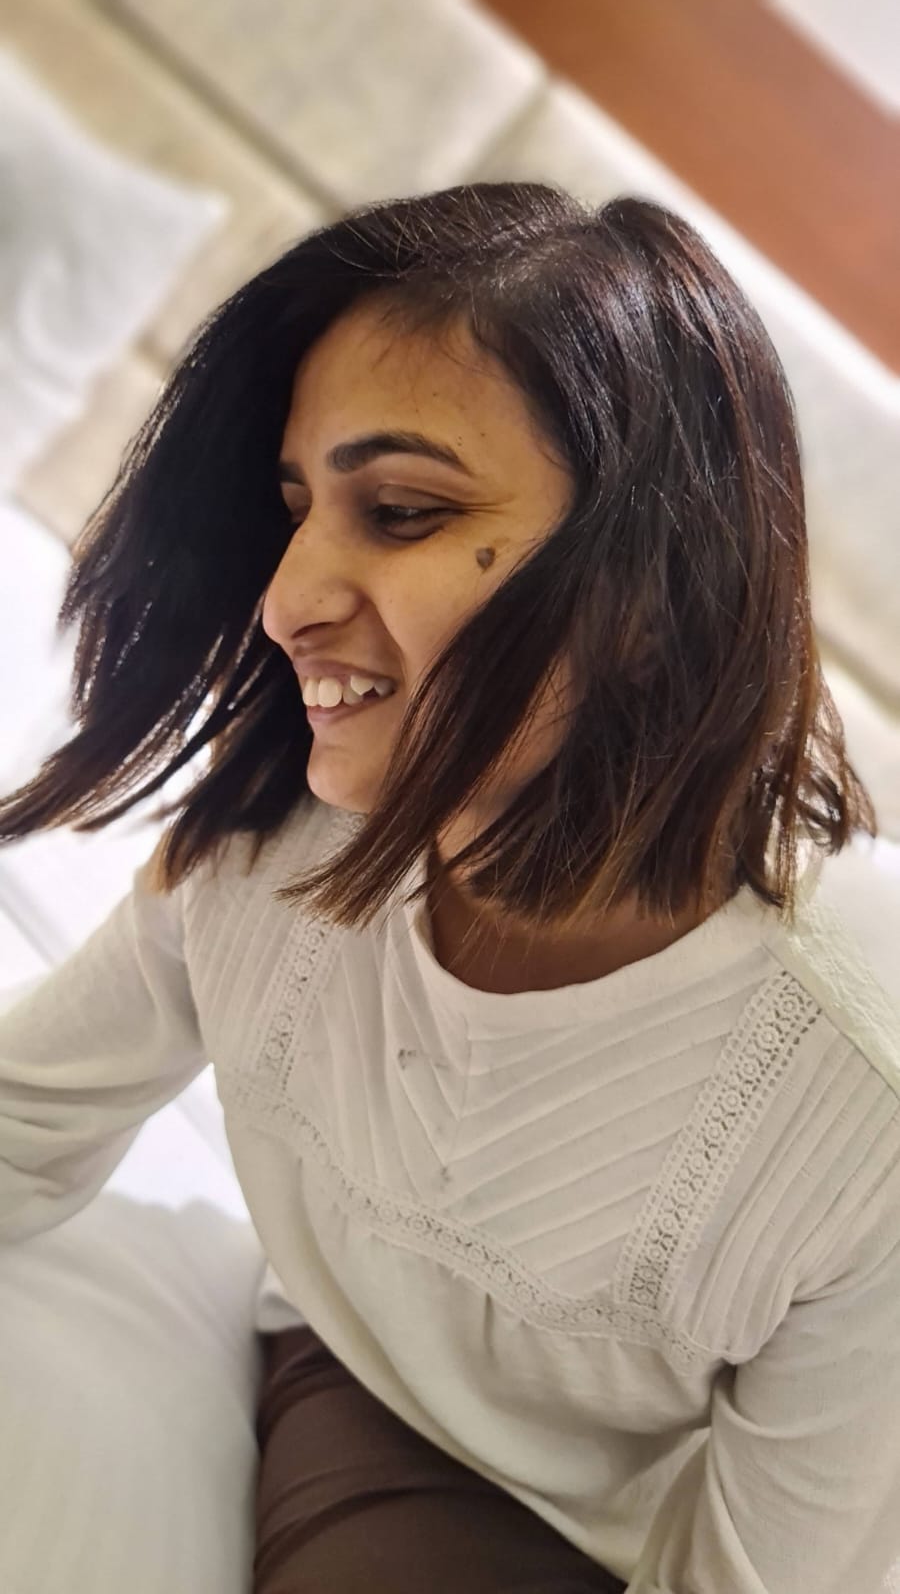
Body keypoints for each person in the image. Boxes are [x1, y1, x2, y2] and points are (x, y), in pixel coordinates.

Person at [1, 181, 898, 1594]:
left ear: (653, 596)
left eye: (403, 510)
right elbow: (21, 1121)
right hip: (395, 1421)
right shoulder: (267, 847)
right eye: (297, 509)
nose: (288, 596)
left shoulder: (861, 1099)